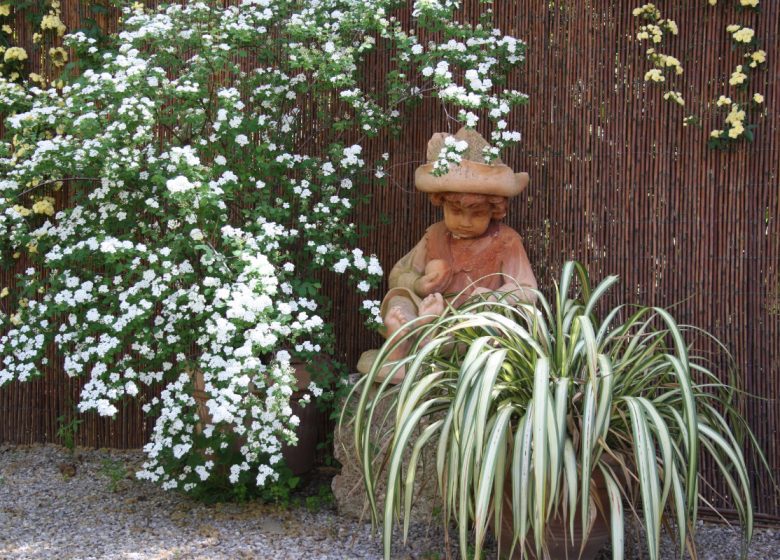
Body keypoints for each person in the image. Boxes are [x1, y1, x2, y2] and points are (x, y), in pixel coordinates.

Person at [359, 128, 537, 381]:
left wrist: (493, 296)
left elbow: (528, 290)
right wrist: (419, 283)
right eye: (455, 210)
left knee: (481, 319)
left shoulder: (506, 241)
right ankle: (402, 341)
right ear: (441, 203)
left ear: (495, 210)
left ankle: (426, 339)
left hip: (469, 324)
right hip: (430, 310)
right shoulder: (435, 234)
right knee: (399, 299)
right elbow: (399, 275)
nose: (465, 221)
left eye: (477, 214)